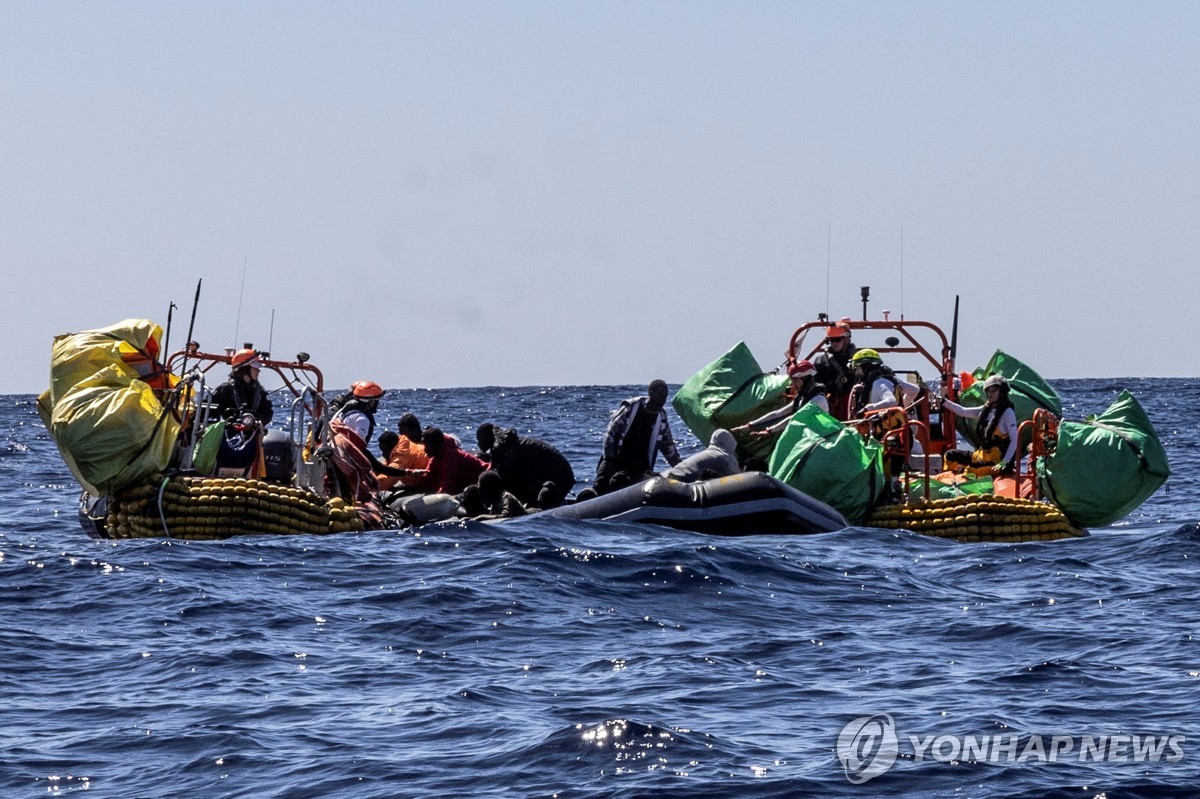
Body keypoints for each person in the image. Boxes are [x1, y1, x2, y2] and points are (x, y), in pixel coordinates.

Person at [321, 381, 408, 502]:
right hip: (342, 464)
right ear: (371, 401)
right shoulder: (362, 420)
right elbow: (354, 449)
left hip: (333, 458)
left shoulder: (345, 412)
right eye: (377, 401)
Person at [594, 379, 682, 494]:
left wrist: (681, 468)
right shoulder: (631, 407)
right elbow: (612, 433)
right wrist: (609, 459)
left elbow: (668, 447)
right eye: (660, 396)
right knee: (602, 483)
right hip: (616, 459)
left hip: (640, 466)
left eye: (665, 397)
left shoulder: (662, 418)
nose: (662, 400)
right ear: (651, 393)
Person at [940, 374, 1020, 475]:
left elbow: (1014, 440)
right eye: (988, 391)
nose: (990, 394)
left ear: (1002, 392)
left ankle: (964, 477)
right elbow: (963, 411)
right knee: (950, 455)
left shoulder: (1007, 413)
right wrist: (943, 402)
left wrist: (1004, 462)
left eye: (994, 391)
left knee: (973, 470)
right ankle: (951, 479)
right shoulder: (986, 409)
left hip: (997, 462)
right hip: (982, 456)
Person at [732, 360, 829, 440]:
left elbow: (795, 418)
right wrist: (749, 426)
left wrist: (770, 430)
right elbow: (778, 413)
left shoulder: (818, 400)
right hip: (808, 438)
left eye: (796, 380)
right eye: (792, 381)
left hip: (820, 439)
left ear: (806, 378)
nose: (794, 384)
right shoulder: (802, 397)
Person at [487, 425, 576, 507]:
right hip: (559, 475)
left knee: (510, 479)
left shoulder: (504, 447)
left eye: (480, 440)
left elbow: (504, 477)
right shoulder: (511, 444)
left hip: (560, 478)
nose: (479, 444)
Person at [414, 427, 489, 495]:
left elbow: (447, 488)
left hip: (485, 479)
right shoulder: (438, 454)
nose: (425, 450)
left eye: (427, 446)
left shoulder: (450, 457)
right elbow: (428, 475)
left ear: (435, 444)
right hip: (466, 484)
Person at [212, 349, 274, 426]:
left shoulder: (260, 392)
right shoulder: (223, 390)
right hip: (226, 433)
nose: (258, 371)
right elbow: (206, 410)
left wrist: (257, 423)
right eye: (255, 367)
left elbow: (268, 413)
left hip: (252, 433)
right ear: (244, 369)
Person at [811, 323, 858, 420]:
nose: (834, 343)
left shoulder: (858, 359)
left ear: (846, 340)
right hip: (829, 405)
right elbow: (814, 386)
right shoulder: (821, 361)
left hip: (854, 404)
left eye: (838, 340)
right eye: (831, 340)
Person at [377, 412, 431, 491]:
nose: (402, 435)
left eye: (404, 432)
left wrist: (367, 486)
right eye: (400, 433)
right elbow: (387, 467)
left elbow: (390, 476)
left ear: (414, 430)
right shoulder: (402, 446)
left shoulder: (423, 443)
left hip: (426, 479)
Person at [662, 429, 741, 482]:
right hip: (683, 480)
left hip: (670, 475)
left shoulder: (710, 452)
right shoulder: (725, 457)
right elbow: (740, 478)